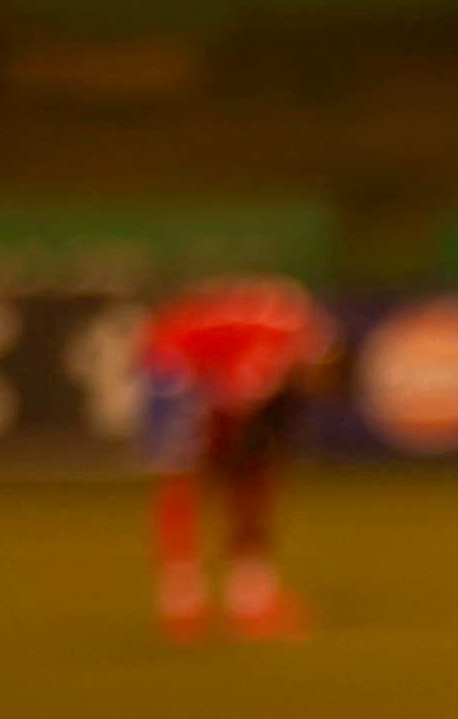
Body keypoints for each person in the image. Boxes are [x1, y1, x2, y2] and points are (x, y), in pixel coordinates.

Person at [139, 274, 337, 642]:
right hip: (174, 364)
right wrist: (232, 453)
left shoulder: (291, 332)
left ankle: (247, 596)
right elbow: (238, 403)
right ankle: (184, 602)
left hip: (201, 365)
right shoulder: (281, 348)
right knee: (185, 479)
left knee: (251, 477)